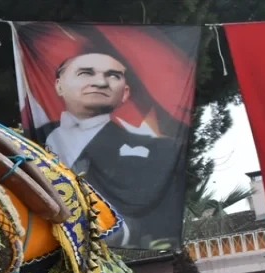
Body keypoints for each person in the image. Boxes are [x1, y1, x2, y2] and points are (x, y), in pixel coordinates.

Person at [43, 51, 180, 248]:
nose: (100, 83)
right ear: (59, 86)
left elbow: (161, 219)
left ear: (124, 92)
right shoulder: (30, 142)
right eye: (86, 73)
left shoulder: (159, 150)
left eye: (113, 76)